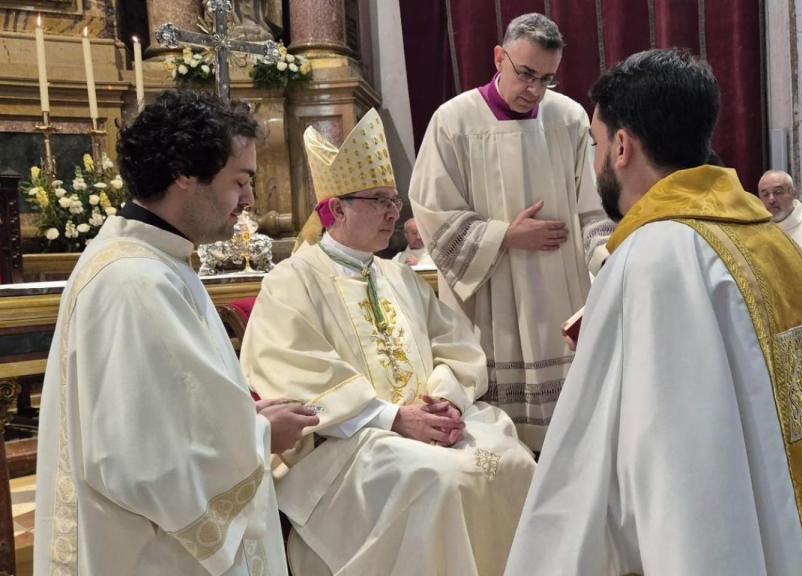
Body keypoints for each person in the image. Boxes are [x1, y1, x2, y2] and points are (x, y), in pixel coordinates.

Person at [506, 48, 802, 575]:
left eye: (594, 144)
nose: (594, 164)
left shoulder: (655, 252)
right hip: (797, 524)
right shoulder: (767, 237)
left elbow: (673, 461)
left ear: (620, 146)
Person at [32, 90, 319, 575]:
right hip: (151, 553)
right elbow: (139, 459)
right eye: (240, 181)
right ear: (186, 172)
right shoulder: (134, 282)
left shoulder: (152, 258)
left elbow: (154, 406)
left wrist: (239, 415)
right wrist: (258, 436)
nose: (248, 200)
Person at [240, 109, 536, 576]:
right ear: (337, 209)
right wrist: (395, 417)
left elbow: (455, 346)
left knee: (514, 462)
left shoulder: (402, 276)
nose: (394, 212)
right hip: (348, 441)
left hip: (429, 424)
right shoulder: (291, 281)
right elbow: (294, 370)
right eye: (378, 200)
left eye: (394, 200)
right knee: (444, 481)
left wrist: (444, 401)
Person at [409, 13, 613, 449]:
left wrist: (613, 262)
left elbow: (593, 210)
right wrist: (505, 236)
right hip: (489, 294)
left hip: (558, 291)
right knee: (498, 444)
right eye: (525, 74)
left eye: (547, 79)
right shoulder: (453, 120)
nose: (535, 90)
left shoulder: (569, 118)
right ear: (499, 57)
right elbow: (433, 210)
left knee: (568, 437)